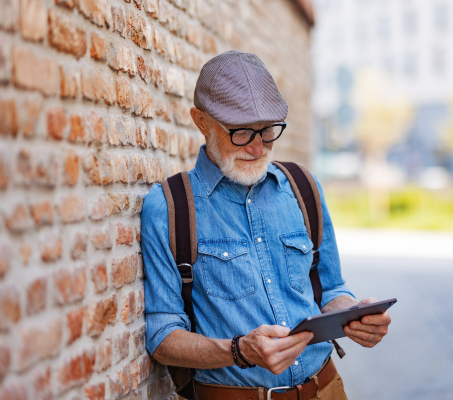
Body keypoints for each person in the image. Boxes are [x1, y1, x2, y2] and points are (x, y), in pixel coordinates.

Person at [141, 50, 391, 400]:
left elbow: (330, 289)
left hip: (327, 389)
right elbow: (162, 336)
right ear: (201, 121)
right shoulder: (169, 207)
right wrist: (239, 350)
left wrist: (353, 315)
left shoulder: (304, 188)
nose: (259, 148)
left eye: (268, 131)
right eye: (241, 132)